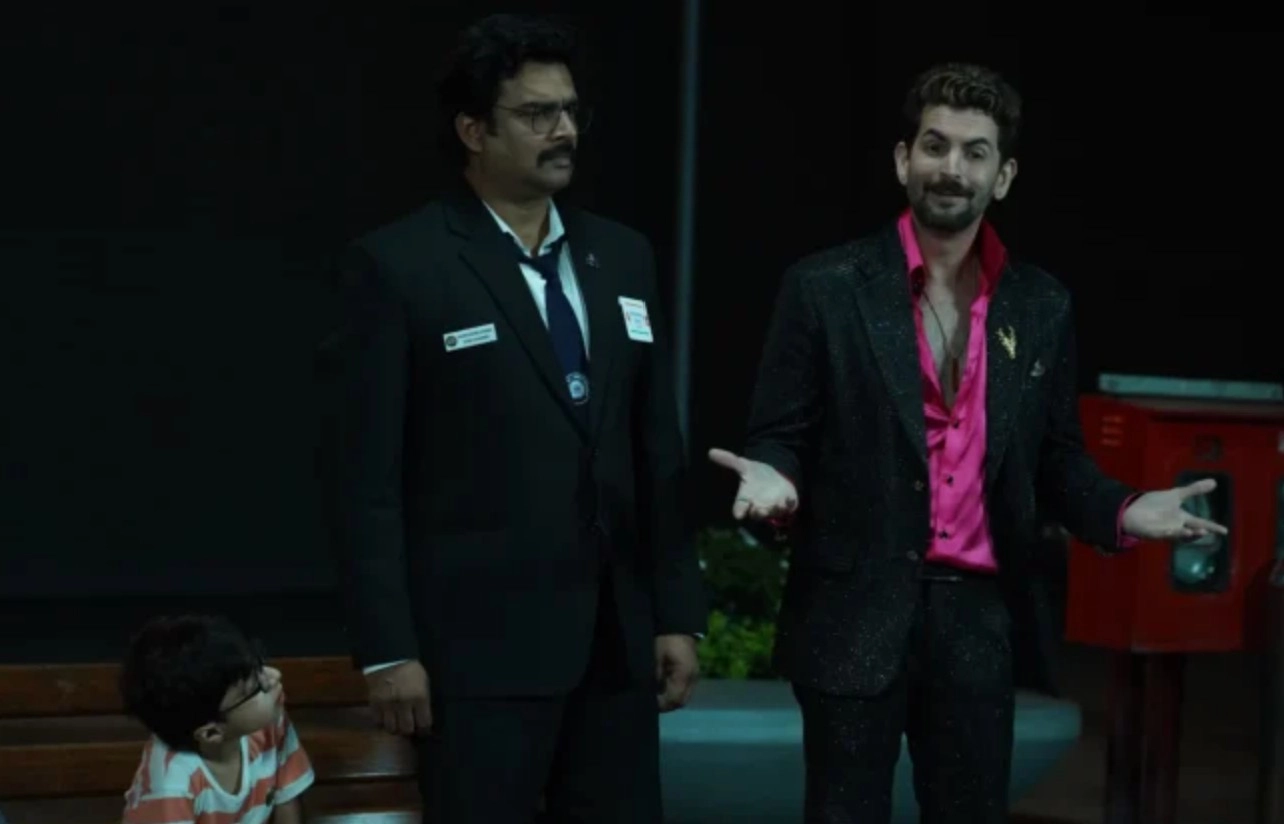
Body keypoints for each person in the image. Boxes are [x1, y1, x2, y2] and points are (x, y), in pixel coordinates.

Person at [709, 62, 1227, 823]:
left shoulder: (1041, 305)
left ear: (1003, 175)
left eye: (974, 152)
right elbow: (781, 434)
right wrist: (774, 477)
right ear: (902, 160)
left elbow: (1056, 459)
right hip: (854, 611)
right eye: (935, 146)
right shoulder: (825, 287)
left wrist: (1124, 509)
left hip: (978, 622)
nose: (951, 168)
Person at [324, 13, 707, 823]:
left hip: (615, 647)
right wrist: (388, 649)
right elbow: (365, 480)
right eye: (537, 114)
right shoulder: (400, 266)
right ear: (473, 131)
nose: (564, 130)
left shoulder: (623, 256)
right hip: (476, 655)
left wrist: (677, 614)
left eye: (570, 110)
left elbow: (654, 447)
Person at [119, 615, 313, 824]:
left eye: (258, 667)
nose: (274, 676)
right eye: (253, 688)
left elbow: (287, 800)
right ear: (212, 733)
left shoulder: (268, 721)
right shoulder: (170, 786)